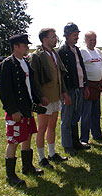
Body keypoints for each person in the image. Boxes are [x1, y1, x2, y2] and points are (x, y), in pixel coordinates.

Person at [0, 34, 44, 187]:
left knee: (28, 136)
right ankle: (10, 176)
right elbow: (4, 90)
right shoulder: (7, 64)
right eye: (24, 45)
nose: (26, 48)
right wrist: (12, 110)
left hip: (27, 108)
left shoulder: (25, 62)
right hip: (16, 111)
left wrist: (38, 100)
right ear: (15, 46)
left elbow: (29, 86)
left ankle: (27, 166)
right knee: (14, 141)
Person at [30, 28, 70, 169]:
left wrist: (64, 92)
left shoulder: (54, 53)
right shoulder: (37, 56)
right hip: (45, 98)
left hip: (56, 96)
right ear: (45, 39)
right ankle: (41, 158)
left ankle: (52, 154)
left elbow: (60, 75)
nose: (55, 38)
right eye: (53, 36)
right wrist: (41, 97)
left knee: (52, 126)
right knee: (42, 128)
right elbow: (34, 80)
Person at [58, 22, 90, 156]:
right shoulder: (62, 51)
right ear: (67, 35)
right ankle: (67, 145)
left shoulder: (76, 50)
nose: (77, 37)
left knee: (76, 116)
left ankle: (75, 142)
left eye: (77, 35)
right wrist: (65, 93)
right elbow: (61, 74)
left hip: (79, 87)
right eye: (74, 35)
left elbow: (81, 68)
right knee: (67, 117)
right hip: (69, 89)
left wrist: (85, 85)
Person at [80, 31, 102, 144]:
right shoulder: (83, 51)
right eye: (90, 39)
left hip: (97, 86)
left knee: (96, 113)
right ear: (85, 40)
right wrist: (84, 86)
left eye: (94, 39)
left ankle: (97, 134)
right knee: (86, 114)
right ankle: (84, 139)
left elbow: (101, 69)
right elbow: (81, 70)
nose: (93, 42)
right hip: (88, 86)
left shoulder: (97, 51)